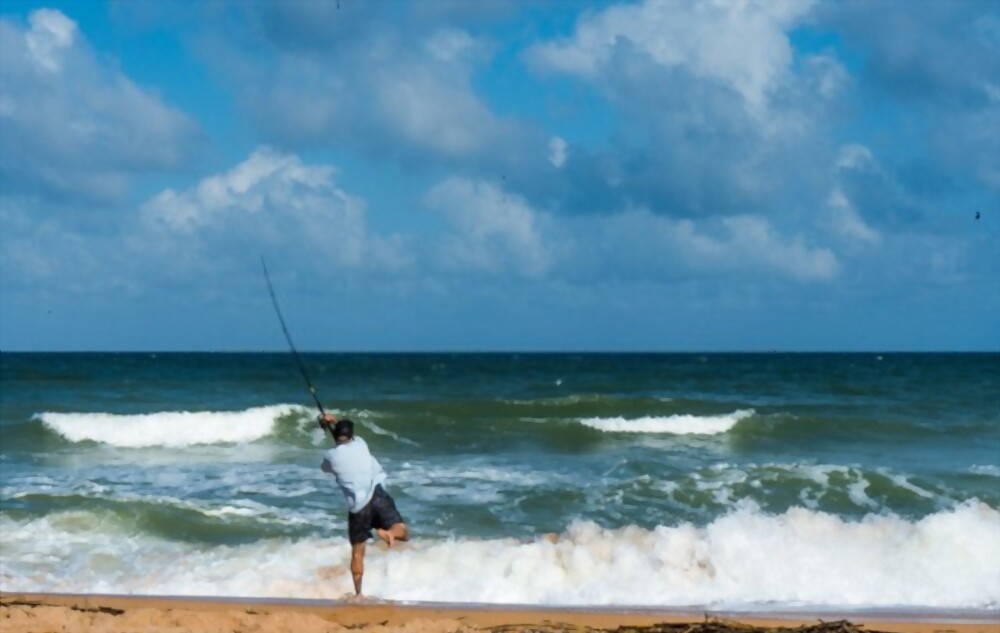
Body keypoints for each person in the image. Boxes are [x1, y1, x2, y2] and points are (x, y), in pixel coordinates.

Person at [319, 413, 408, 597]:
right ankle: (390, 533)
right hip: (377, 494)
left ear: (336, 436)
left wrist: (327, 427)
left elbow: (326, 467)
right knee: (403, 531)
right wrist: (334, 421)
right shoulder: (361, 444)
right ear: (352, 436)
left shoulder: (331, 457)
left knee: (358, 553)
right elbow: (347, 440)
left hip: (359, 508)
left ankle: (358, 594)